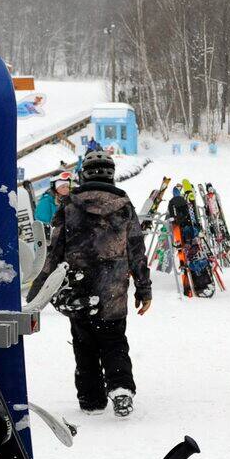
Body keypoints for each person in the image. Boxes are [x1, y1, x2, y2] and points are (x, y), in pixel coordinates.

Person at [45, 150, 152, 417]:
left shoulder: (69, 206)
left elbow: (54, 250)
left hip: (78, 289)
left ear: (84, 174)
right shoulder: (124, 205)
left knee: (84, 343)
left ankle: (91, 399)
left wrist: (41, 289)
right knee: (114, 340)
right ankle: (121, 389)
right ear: (111, 175)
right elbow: (136, 251)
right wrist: (143, 288)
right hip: (113, 291)